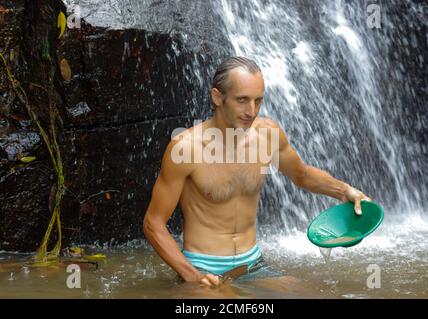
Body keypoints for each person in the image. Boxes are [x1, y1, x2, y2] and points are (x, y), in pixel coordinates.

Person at [143, 56, 370, 287]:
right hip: (203, 267)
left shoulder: (267, 135)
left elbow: (302, 175)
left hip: (253, 265)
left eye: (258, 101)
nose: (251, 111)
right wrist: (191, 275)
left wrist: (346, 191)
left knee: (308, 293)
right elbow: (153, 223)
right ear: (217, 97)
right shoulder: (185, 148)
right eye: (242, 100)